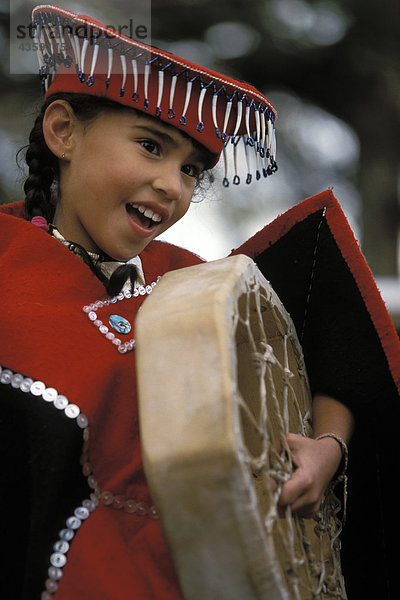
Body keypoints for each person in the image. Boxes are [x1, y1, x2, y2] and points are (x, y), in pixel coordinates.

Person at [0, 4, 398, 600]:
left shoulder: (199, 285)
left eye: (192, 170)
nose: (173, 187)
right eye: (149, 146)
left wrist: (328, 448)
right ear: (63, 131)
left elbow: (332, 346)